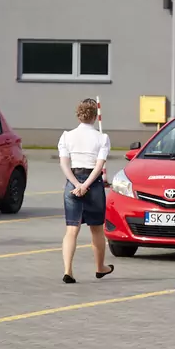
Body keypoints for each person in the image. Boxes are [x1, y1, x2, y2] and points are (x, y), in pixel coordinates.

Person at [58, 98, 114, 283]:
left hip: (72, 183)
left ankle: (68, 270)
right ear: (95, 116)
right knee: (96, 229)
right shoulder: (102, 138)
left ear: (78, 115)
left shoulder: (66, 136)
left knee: (71, 230)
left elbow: (64, 164)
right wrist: (86, 185)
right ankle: (100, 267)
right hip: (94, 184)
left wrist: (76, 184)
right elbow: (99, 166)